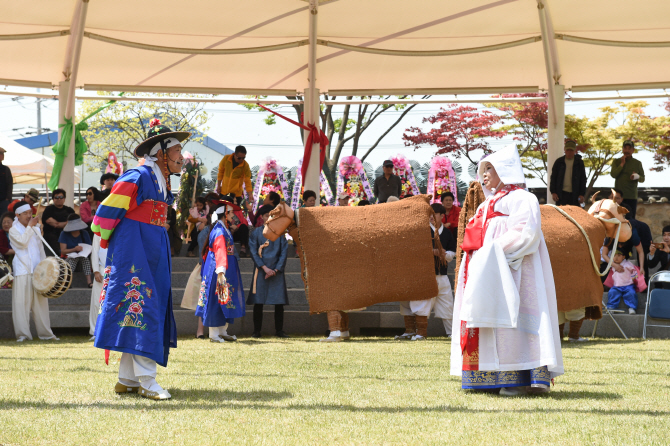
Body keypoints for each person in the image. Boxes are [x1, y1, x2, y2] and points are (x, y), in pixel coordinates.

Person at [451, 146, 563, 396]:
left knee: (513, 321)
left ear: (506, 170)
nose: (485, 174)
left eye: (490, 168)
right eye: (483, 169)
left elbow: (526, 232)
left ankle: (519, 379)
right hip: (482, 271)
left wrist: (493, 252)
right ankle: (486, 378)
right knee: (484, 319)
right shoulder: (486, 204)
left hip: (514, 271)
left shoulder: (523, 198)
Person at [91, 118, 187, 400]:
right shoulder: (138, 175)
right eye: (177, 151)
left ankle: (127, 379)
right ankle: (147, 380)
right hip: (135, 247)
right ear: (161, 153)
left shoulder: (158, 179)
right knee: (141, 303)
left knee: (142, 303)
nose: (182, 157)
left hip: (151, 243)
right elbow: (103, 215)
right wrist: (117, 243)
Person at [396, 203, 456, 341]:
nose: (431, 217)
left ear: (442, 216)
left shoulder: (447, 233)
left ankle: (452, 333)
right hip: (424, 274)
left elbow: (452, 252)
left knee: (447, 304)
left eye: (434, 214)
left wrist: (444, 254)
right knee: (421, 303)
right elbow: (413, 249)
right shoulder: (421, 230)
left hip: (442, 274)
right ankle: (420, 333)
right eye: (429, 214)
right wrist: (432, 252)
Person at [195, 200, 246, 343]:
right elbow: (220, 251)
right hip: (218, 268)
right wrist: (221, 270)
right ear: (224, 214)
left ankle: (223, 330)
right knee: (216, 298)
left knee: (225, 297)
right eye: (230, 213)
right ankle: (214, 333)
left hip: (223, 268)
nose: (232, 216)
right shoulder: (219, 230)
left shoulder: (223, 228)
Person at [8, 201, 58, 342]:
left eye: (30, 213)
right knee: (21, 304)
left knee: (41, 304)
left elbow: (40, 249)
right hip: (22, 270)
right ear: (17, 215)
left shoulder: (35, 228)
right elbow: (22, 243)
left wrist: (45, 267)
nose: (29, 216)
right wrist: (31, 227)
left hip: (37, 271)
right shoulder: (13, 230)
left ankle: (46, 334)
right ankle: (23, 335)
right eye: (25, 214)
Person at [248, 204, 289, 338]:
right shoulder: (255, 233)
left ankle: (279, 330)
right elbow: (253, 252)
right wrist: (264, 268)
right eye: (267, 216)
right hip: (262, 270)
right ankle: (256, 330)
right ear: (262, 217)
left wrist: (276, 269)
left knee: (279, 303)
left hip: (274, 270)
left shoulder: (281, 233)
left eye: (272, 216)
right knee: (258, 302)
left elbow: (284, 252)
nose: (269, 218)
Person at [610, 140, 645, 219]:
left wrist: (636, 176)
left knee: (630, 219)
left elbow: (643, 179)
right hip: (618, 196)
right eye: (625, 148)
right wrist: (621, 164)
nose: (627, 151)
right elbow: (613, 174)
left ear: (633, 150)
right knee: (616, 217)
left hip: (631, 196)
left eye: (629, 148)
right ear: (622, 149)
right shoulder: (616, 161)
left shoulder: (637, 163)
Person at [59, 214, 93, 288]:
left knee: (85, 259)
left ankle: (89, 282)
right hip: (69, 257)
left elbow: (89, 247)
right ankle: (68, 281)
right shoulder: (64, 234)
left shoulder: (84, 233)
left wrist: (83, 250)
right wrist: (74, 249)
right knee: (73, 260)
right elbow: (63, 251)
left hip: (82, 256)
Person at [41, 189, 75, 256]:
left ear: (64, 199)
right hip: (51, 239)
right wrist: (65, 223)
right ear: (53, 199)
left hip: (67, 237)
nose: (59, 199)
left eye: (61, 197)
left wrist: (57, 224)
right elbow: (50, 222)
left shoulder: (69, 210)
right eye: (56, 197)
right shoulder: (48, 209)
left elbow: (72, 223)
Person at [606, 250, 639, 314]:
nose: (616, 258)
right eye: (614, 256)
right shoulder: (612, 265)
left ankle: (631, 308)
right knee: (612, 292)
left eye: (618, 255)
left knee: (631, 293)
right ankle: (611, 307)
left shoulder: (627, 264)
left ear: (623, 257)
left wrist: (634, 277)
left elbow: (634, 270)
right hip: (616, 285)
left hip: (628, 285)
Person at [89, 234, 107, 340]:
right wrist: (96, 270)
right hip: (101, 270)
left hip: (116, 271)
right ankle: (95, 332)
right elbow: (95, 250)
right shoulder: (98, 230)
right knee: (97, 302)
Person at [0, 146, 13, 214]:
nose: (2, 155)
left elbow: (9, 184)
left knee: (3, 220)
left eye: (2, 153)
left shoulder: (5, 169)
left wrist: (8, 199)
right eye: (1, 153)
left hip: (3, 201)